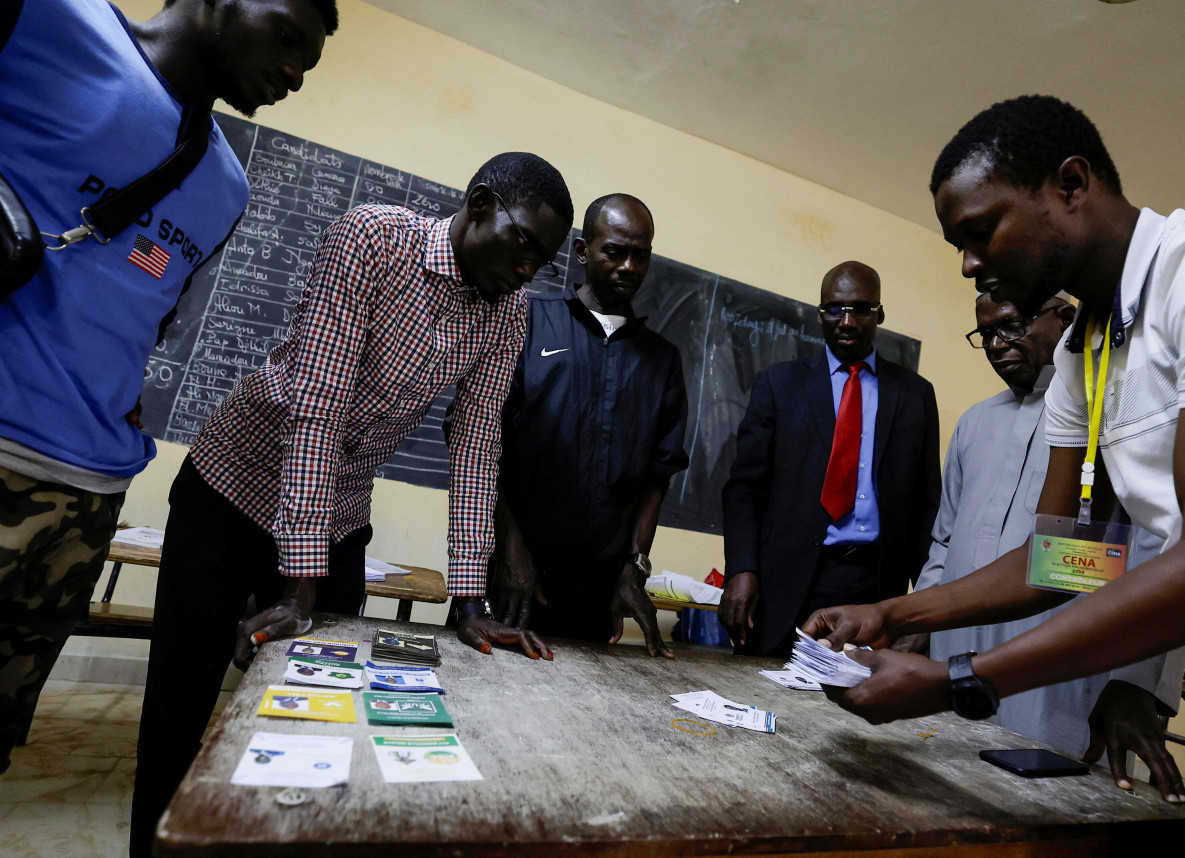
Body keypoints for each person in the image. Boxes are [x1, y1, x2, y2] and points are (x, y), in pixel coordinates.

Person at [804, 95, 1185, 855]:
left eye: (980, 230)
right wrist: (898, 615)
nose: (967, 262)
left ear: (1070, 184)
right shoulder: (1083, 353)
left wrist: (961, 679)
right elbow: (1068, 560)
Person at [130, 152, 573, 856]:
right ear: (481, 204)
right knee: (180, 712)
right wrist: (298, 583)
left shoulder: (507, 314)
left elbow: (477, 442)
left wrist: (470, 602)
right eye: (524, 245)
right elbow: (319, 407)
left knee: (319, 711)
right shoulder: (371, 238)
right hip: (230, 487)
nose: (528, 273)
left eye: (541, 262)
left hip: (337, 512)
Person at [0, 0, 335, 775]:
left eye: (308, 65)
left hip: (86, 495)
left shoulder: (225, 184)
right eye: (286, 39)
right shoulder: (52, 23)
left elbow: (154, 306)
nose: (293, 72)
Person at [913, 291, 1185, 788]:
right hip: (954, 656)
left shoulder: (1119, 410)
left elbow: (1162, 553)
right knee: (946, 789)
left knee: (1048, 802)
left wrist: (1133, 681)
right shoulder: (975, 422)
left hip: (1061, 670)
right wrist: (918, 621)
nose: (997, 344)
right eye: (986, 335)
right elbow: (944, 540)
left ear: (1064, 318)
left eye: (1011, 327)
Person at [488, 193, 689, 656]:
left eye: (641, 255)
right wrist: (511, 551)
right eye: (614, 251)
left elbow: (659, 474)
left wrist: (634, 567)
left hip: (602, 590)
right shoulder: (528, 322)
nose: (628, 266)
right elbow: (481, 442)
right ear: (582, 252)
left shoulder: (662, 361)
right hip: (516, 575)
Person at [720, 261, 941, 657]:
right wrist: (740, 568)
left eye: (861, 308)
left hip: (876, 586)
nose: (847, 320)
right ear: (820, 313)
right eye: (835, 309)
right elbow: (744, 488)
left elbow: (927, 505)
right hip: (786, 579)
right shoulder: (780, 384)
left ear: (880, 314)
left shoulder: (915, 395)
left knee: (860, 710)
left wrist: (923, 608)